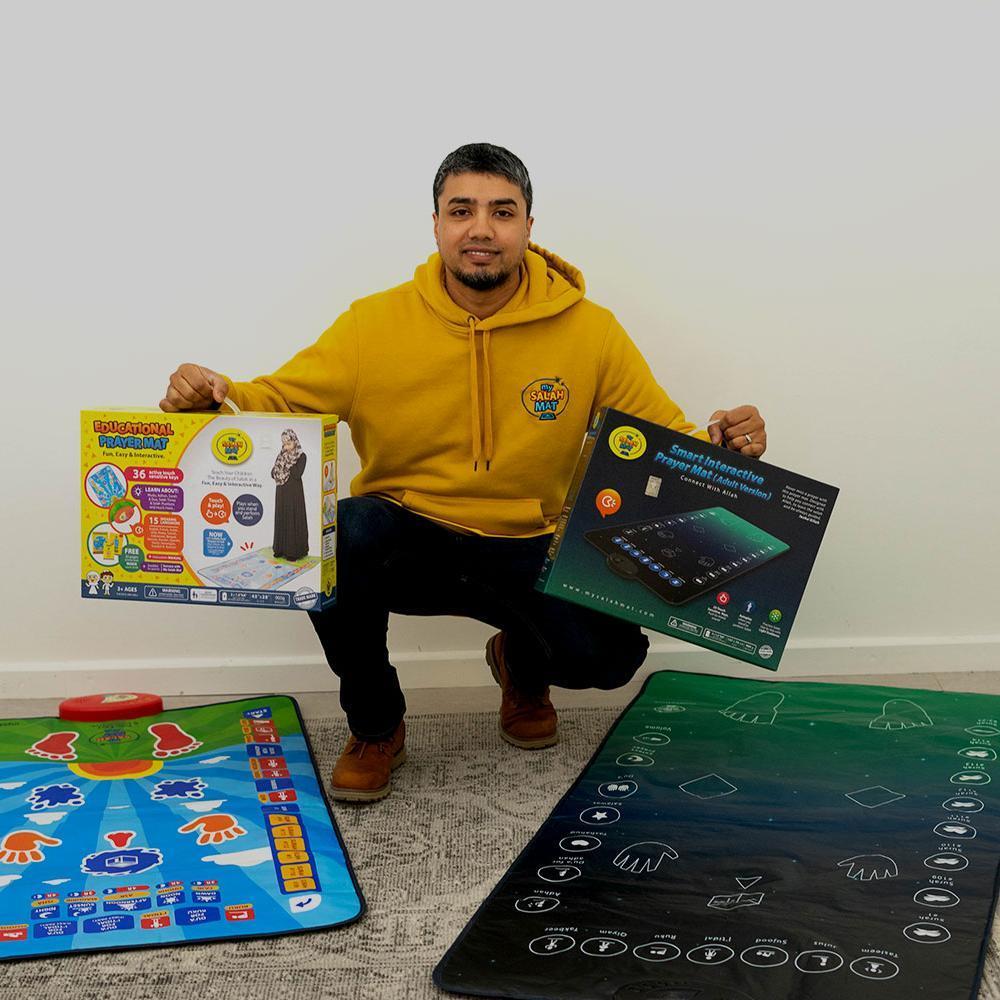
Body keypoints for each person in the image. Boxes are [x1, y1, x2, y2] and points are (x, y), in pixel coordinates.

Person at [160, 143, 767, 803]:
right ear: (436, 225)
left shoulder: (592, 332)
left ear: (528, 227)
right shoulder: (374, 323)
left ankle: (520, 662)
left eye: (502, 211)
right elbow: (277, 401)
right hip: (412, 539)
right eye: (462, 210)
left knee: (611, 659)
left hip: (533, 545)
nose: (481, 228)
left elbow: (664, 437)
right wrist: (215, 397)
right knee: (338, 532)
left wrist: (727, 442)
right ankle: (375, 724)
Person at [271, 428, 309, 561]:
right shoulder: (281, 455)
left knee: (293, 518)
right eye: (284, 444)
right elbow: (272, 473)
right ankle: (279, 549)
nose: (286, 447)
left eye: (288, 443)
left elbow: (297, 473)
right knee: (281, 517)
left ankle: (294, 551)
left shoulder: (301, 456)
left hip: (294, 494)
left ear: (295, 442)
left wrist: (286, 464)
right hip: (281, 491)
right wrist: (280, 467)